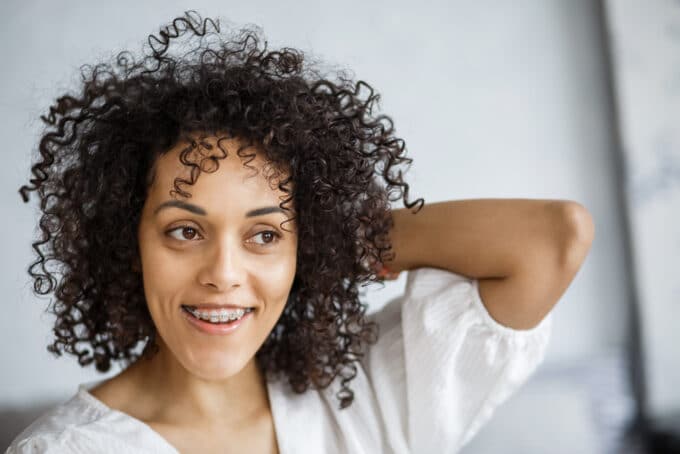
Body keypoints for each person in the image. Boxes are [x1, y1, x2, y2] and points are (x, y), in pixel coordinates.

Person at [6, 10, 594, 454]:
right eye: (185, 231)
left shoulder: (363, 396)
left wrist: (336, 238)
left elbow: (553, 237)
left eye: (264, 236)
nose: (224, 274)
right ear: (126, 242)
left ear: (301, 247)